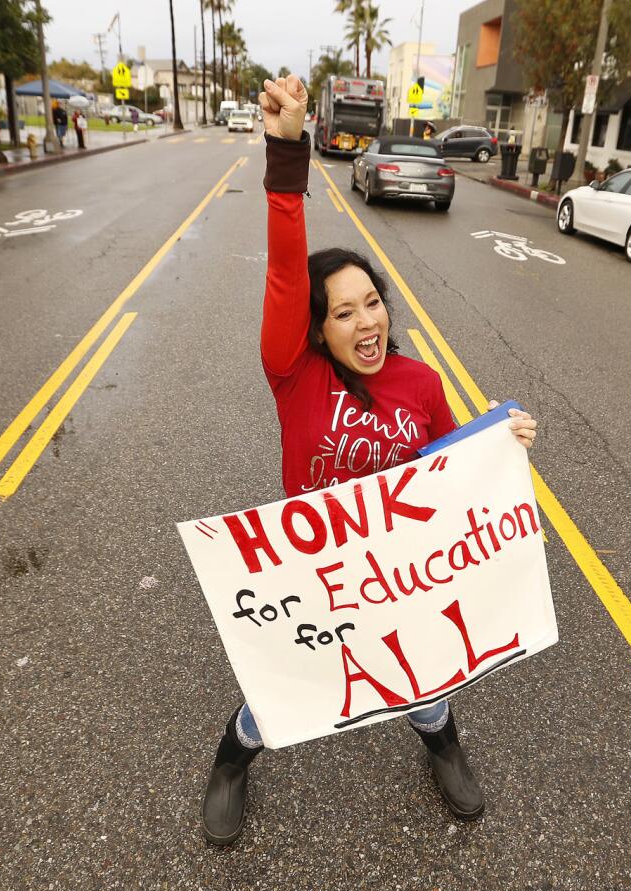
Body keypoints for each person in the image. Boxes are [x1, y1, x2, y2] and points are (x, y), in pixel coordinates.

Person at [199, 74, 538, 847]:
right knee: (282, 685)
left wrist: (497, 441)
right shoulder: (294, 371)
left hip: (397, 567)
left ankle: (442, 743)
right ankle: (231, 763)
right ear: (317, 330)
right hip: (313, 569)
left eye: (373, 302)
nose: (366, 320)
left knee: (421, 681)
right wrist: (287, 149)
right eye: (343, 311)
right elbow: (287, 267)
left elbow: (443, 466)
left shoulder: (419, 380)